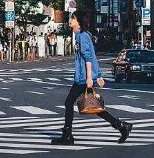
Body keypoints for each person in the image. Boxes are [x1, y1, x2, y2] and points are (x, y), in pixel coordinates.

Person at [52, 10, 132, 145]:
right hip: (84, 77)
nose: (70, 20)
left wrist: (90, 78)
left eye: (73, 18)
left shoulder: (82, 36)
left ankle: (67, 135)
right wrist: (98, 75)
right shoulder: (82, 35)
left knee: (69, 102)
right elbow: (93, 57)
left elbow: (88, 57)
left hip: (83, 78)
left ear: (79, 22)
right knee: (93, 106)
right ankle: (121, 126)